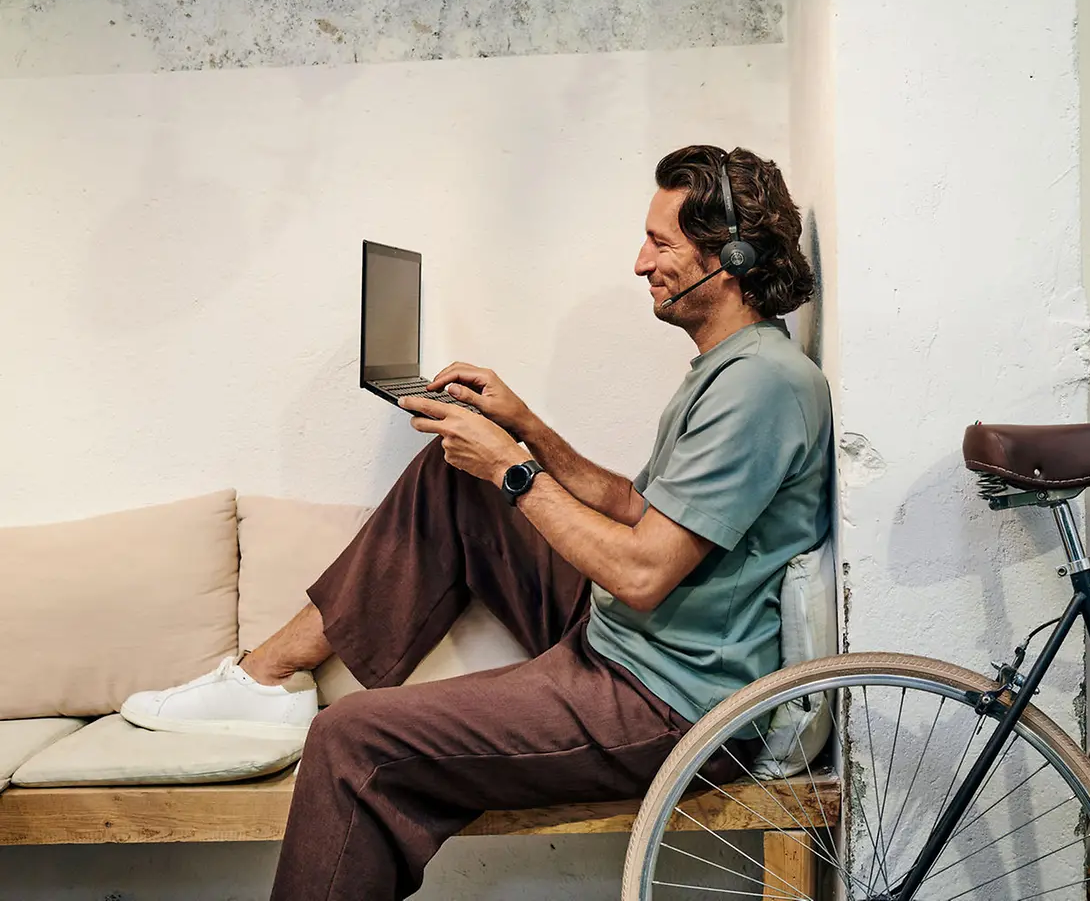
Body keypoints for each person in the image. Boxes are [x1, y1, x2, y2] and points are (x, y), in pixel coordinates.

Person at [118, 144, 834, 900]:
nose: (639, 264)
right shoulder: (733, 368)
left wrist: (512, 469)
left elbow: (642, 573)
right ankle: (263, 678)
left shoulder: (759, 387)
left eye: (660, 243)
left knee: (351, 738)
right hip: (632, 642)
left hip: (668, 702)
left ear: (732, 256)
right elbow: (636, 508)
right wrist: (523, 429)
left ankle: (288, 700)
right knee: (452, 475)